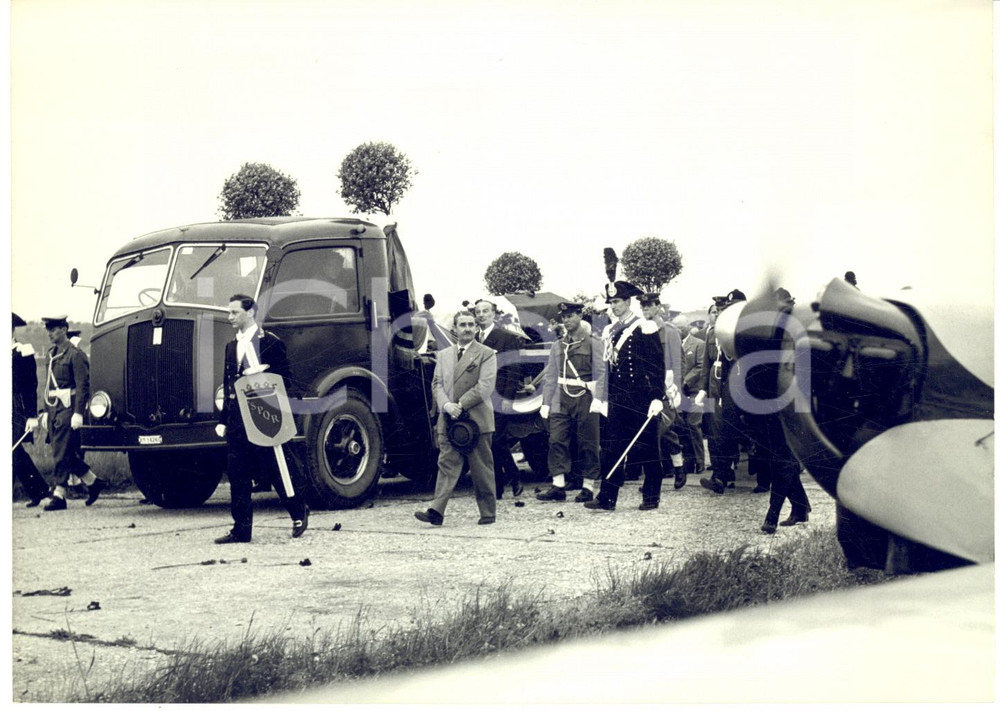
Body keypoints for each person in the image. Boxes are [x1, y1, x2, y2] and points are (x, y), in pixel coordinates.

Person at [215, 295, 308, 543]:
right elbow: (229, 385)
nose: (230, 317)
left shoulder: (270, 343)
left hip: (263, 415)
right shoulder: (230, 347)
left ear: (250, 312)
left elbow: (286, 381)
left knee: (276, 467)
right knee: (238, 474)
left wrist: (262, 377)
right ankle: (241, 530)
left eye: (235, 312)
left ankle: (298, 512)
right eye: (229, 312)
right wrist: (223, 419)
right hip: (237, 419)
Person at [586, 280, 666, 512]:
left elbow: (656, 365)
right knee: (612, 447)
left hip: (641, 396)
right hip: (619, 398)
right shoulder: (610, 330)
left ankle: (651, 496)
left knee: (647, 447)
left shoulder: (644, 327)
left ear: (628, 301)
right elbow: (608, 368)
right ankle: (607, 498)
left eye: (617, 301)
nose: (614, 306)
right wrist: (603, 397)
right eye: (611, 302)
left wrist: (657, 397)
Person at [415, 310, 498, 526]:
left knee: (482, 469)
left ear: (476, 328)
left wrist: (459, 405)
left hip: (476, 420)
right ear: (455, 329)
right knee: (446, 465)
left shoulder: (487, 353)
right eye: (463, 324)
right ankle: (436, 511)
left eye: (471, 324)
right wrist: (446, 405)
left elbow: (486, 386)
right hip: (450, 420)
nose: (468, 328)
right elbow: (437, 384)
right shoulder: (443, 355)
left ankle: (488, 512)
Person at [31, 315, 106, 510]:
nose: (49, 333)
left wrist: (78, 412)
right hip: (55, 409)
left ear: (64, 330)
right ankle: (93, 482)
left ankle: (59, 495)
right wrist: (45, 411)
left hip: (69, 408)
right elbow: (48, 386)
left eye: (53, 329)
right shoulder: (50, 354)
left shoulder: (75, 354)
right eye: (48, 329)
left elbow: (83, 386)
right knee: (65, 451)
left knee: (60, 451)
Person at [536, 302, 606, 503]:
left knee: (588, 442)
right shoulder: (558, 345)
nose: (566, 321)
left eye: (570, 316)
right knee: (556, 440)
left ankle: (588, 486)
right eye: (563, 317)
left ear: (580, 316)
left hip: (585, 396)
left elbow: (601, 374)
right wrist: (546, 402)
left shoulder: (594, 343)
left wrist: (599, 399)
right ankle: (558, 486)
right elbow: (551, 375)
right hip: (560, 396)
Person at [473, 298, 524, 498]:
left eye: (485, 311)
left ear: (494, 314)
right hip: (480, 398)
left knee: (496, 439)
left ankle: (511, 477)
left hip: (499, 396)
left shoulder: (505, 337)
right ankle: (501, 486)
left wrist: (508, 397)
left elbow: (513, 369)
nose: (481, 315)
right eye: (478, 312)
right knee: (489, 441)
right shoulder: (474, 339)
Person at [697, 289, 747, 495]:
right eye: (719, 310)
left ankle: (727, 473)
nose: (720, 313)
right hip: (714, 391)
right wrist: (702, 389)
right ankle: (719, 474)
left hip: (736, 390)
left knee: (731, 433)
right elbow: (707, 365)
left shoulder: (744, 333)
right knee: (714, 432)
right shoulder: (712, 333)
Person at [638, 293, 686, 489]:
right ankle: (663, 473)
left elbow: (678, 363)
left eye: (649, 305)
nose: (645, 308)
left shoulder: (669, 331)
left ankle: (676, 468)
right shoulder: (641, 330)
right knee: (653, 432)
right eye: (643, 305)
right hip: (647, 388)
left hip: (666, 387)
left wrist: (676, 391)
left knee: (663, 431)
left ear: (658, 306)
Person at [12, 313, 50, 507]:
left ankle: (39, 491)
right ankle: (40, 491)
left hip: (15, 406)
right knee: (15, 452)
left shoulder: (21, 351)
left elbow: (30, 385)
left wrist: (31, 415)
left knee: (12, 451)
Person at [673, 313, 706, 476]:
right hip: (678, 393)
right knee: (681, 426)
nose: (677, 331)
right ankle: (688, 461)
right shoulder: (673, 345)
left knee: (694, 425)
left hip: (694, 392)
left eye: (679, 328)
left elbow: (700, 367)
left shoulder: (699, 344)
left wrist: (685, 382)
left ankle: (700, 461)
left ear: (687, 328)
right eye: (675, 328)